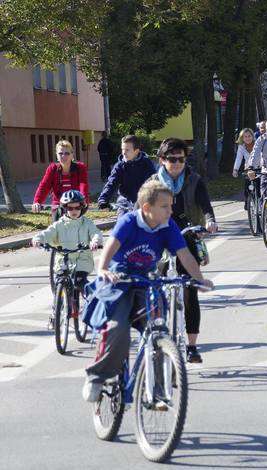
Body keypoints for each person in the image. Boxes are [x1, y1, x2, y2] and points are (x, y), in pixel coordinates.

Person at [82, 180, 214, 402]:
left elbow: (185, 255)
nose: (171, 211)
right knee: (118, 328)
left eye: (171, 206)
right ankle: (96, 376)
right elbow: (110, 246)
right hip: (119, 280)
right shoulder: (129, 222)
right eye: (165, 206)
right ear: (147, 208)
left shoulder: (168, 226)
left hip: (147, 280)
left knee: (158, 329)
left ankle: (159, 387)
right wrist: (103, 269)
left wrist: (199, 279)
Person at [147, 138, 217, 363]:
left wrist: (210, 221)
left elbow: (206, 206)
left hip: (187, 237)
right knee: (154, 285)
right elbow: (140, 208)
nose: (177, 163)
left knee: (190, 291)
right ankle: (157, 333)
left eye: (181, 159)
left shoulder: (194, 179)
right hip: (159, 239)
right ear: (162, 160)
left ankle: (192, 346)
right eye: (172, 159)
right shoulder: (153, 183)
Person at [32, 190, 103, 327]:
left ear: (82, 207)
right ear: (65, 209)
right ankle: (55, 313)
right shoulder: (59, 224)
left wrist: (95, 241)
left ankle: (91, 303)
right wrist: (37, 239)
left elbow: (96, 234)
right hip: (63, 259)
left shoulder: (86, 223)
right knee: (59, 282)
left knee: (80, 280)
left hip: (82, 259)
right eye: (70, 208)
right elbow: (47, 233)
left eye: (77, 207)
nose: (74, 210)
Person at [97, 135, 156, 216]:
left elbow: (154, 183)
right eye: (123, 149)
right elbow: (111, 183)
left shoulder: (146, 164)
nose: (124, 152)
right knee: (122, 224)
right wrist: (103, 199)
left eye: (127, 150)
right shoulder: (119, 166)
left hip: (143, 202)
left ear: (136, 151)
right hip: (124, 203)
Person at [33, 140, 90, 221]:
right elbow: (44, 186)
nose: (64, 156)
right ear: (56, 155)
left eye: (67, 153)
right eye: (60, 153)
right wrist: (37, 201)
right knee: (57, 230)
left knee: (76, 229)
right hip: (58, 205)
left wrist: (83, 199)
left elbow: (83, 184)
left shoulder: (80, 167)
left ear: (72, 155)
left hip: (75, 205)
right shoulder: (52, 169)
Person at [232, 128, 256, 210]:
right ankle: (247, 202)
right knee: (247, 187)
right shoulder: (241, 147)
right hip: (248, 168)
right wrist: (235, 170)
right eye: (245, 137)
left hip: (259, 167)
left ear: (252, 136)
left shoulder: (257, 144)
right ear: (242, 138)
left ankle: (261, 202)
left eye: (249, 136)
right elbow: (238, 158)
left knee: (260, 186)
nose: (247, 138)